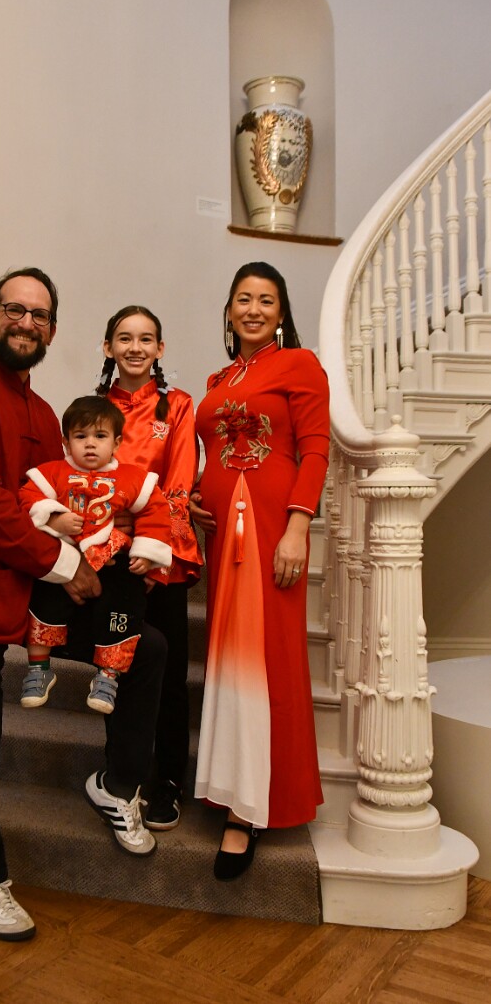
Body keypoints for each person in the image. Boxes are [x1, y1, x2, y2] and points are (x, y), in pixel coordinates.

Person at [0, 268, 167, 943]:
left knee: (147, 649)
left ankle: (114, 782)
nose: (26, 322)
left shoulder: (45, 414)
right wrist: (65, 563)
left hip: (27, 591)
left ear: (52, 330)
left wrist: (135, 520)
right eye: (14, 310)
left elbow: (68, 499)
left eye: (39, 315)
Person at [190, 262, 330, 881]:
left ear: (281, 311)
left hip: (273, 526)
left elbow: (316, 447)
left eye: (266, 300)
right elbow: (211, 451)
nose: (253, 309)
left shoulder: (300, 364)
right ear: (228, 311)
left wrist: (299, 525)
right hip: (224, 535)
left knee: (265, 655)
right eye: (242, 299)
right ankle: (231, 785)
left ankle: (251, 811)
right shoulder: (221, 377)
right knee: (230, 656)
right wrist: (196, 493)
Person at [97, 306, 202, 830]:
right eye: (124, 338)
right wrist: (113, 544)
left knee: (170, 676)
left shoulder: (177, 406)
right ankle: (123, 773)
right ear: (108, 348)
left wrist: (151, 545)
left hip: (163, 558)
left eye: (146, 339)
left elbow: (178, 482)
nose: (135, 347)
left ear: (160, 349)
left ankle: (166, 782)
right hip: (110, 558)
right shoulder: (93, 409)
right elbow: (83, 480)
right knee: (117, 664)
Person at [18, 394, 172, 715]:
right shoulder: (52, 473)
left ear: (116, 443)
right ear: (65, 442)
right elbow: (27, 499)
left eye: (100, 436)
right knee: (42, 593)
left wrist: (148, 551)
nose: (90, 444)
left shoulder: (133, 477)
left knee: (125, 600)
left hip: (111, 555)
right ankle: (38, 667)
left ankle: (108, 675)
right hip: (66, 557)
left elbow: (156, 511)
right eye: (80, 436)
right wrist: (54, 516)